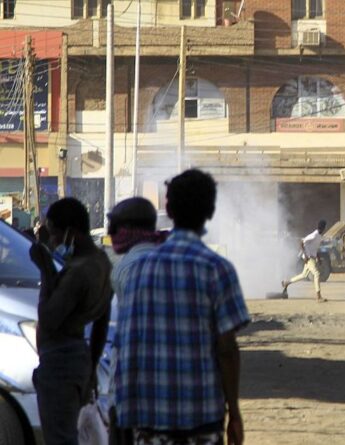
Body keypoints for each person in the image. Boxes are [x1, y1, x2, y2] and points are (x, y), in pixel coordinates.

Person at [115, 169, 250, 445]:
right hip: (201, 419)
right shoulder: (217, 269)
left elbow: (128, 347)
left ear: (169, 208)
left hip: (149, 422)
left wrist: (124, 418)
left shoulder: (138, 269)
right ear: (210, 211)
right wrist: (234, 412)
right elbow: (227, 350)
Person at [28, 198, 113, 444]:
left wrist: (46, 269)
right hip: (78, 359)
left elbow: (49, 318)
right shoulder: (101, 263)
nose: (53, 241)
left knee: (60, 438)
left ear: (71, 233)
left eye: (54, 234)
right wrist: (92, 367)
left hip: (60, 365)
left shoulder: (79, 272)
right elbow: (102, 322)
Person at [106, 197, 166, 445]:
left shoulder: (131, 266)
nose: (111, 235)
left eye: (115, 227)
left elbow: (135, 336)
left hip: (133, 394)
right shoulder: (162, 257)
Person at [281, 220, 328, 302]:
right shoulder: (314, 235)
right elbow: (302, 242)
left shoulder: (319, 236)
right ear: (323, 227)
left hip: (312, 257)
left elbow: (315, 248)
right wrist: (305, 255)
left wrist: (318, 258)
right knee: (316, 273)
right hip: (309, 258)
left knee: (303, 275)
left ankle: (287, 282)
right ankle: (318, 296)